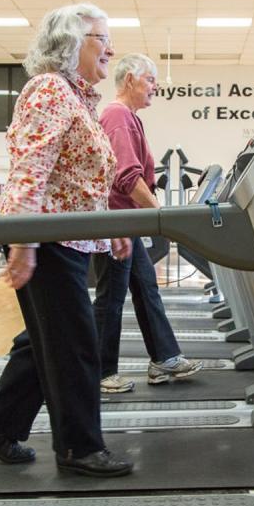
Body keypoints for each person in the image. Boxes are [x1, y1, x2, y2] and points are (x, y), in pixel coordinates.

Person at [0, 3, 134, 477]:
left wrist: (110, 225)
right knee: (75, 342)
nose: (111, 49)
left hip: (67, 237)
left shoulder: (79, 99)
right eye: (101, 38)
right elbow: (30, 170)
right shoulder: (50, 90)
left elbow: (80, 178)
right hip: (47, 237)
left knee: (46, 340)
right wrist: (23, 242)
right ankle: (79, 448)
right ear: (71, 44)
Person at [92, 53, 204, 394]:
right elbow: (127, 176)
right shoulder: (117, 115)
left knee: (145, 287)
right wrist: (160, 216)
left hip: (129, 222)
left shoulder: (130, 118)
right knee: (111, 298)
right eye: (150, 80)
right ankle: (98, 372)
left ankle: (164, 358)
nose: (155, 86)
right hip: (117, 224)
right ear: (129, 80)